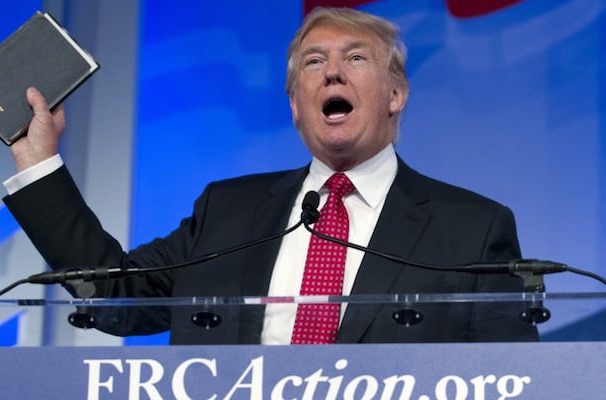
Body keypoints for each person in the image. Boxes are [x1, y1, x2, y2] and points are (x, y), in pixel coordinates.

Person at [2, 8, 537, 344]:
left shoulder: (473, 228)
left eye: (356, 58)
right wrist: (36, 161)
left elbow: (510, 381)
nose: (332, 71)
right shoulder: (227, 211)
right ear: (296, 107)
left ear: (396, 95)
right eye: (313, 62)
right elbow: (115, 296)